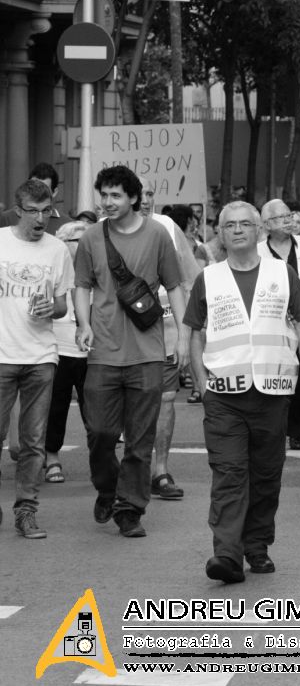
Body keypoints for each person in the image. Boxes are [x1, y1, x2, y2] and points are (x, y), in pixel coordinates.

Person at [185, 202, 300, 582]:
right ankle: (227, 554)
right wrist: (201, 382)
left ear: (259, 231)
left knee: (265, 475)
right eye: (229, 225)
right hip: (223, 396)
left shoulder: (282, 274)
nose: (236, 231)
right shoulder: (209, 277)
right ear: (220, 233)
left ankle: (257, 545)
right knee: (230, 472)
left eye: (244, 224)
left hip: (272, 392)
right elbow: (196, 333)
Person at [73, 166, 186, 538]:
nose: (108, 202)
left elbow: (176, 285)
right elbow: (82, 285)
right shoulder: (91, 237)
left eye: (116, 195)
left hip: (147, 352)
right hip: (103, 351)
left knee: (140, 439)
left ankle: (130, 509)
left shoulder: (157, 234)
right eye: (103, 195)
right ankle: (108, 487)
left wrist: (183, 336)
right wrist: (84, 324)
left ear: (134, 198)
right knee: (101, 433)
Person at [0, 180, 74, 539]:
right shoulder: (0, 242)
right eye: (34, 211)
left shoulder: (58, 250)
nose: (42, 218)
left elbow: (62, 305)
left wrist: (52, 308)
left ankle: (26, 512)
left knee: (33, 441)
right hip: (1, 354)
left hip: (41, 357)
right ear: (19, 210)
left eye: (48, 211)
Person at [138, 181, 202, 503]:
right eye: (141, 194)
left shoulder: (166, 226)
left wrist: (187, 333)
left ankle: (159, 471)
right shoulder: (102, 230)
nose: (147, 201)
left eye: (151, 194)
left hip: (165, 335)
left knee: (165, 401)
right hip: (123, 339)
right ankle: (131, 469)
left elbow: (191, 279)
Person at [260, 198, 300, 452]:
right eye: (279, 218)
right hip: (272, 323)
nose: (286, 221)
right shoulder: (259, 250)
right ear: (266, 225)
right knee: (273, 377)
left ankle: (297, 431)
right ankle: (273, 428)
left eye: (288, 216)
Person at [43, 221, 91, 488]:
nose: (83, 246)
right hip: (57, 349)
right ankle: (52, 458)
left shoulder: (98, 270)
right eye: (77, 241)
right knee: (56, 407)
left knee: (96, 412)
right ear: (63, 243)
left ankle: (100, 460)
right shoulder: (53, 269)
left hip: (91, 353)